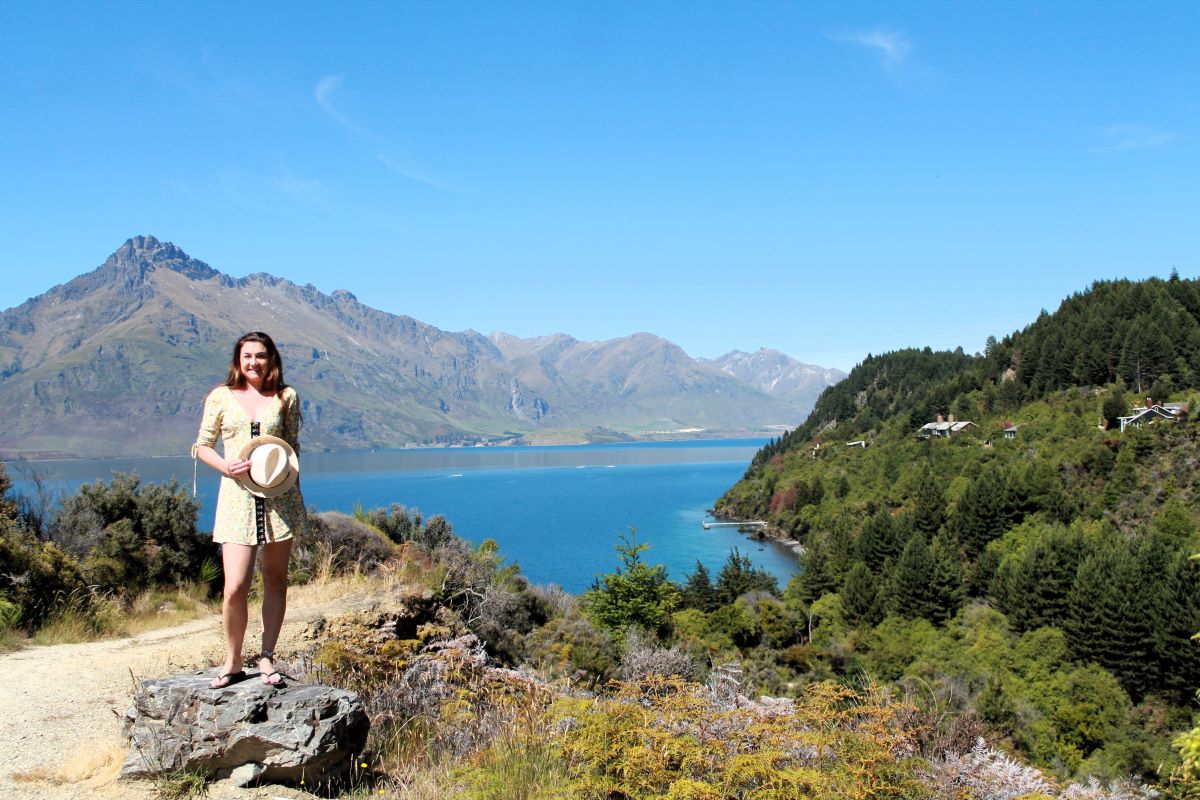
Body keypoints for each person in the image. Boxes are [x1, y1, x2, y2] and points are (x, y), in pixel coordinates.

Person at [193, 331, 306, 688]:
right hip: (236, 498)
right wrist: (227, 466)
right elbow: (202, 445)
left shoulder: (287, 397)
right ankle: (233, 659)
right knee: (235, 586)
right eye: (247, 357)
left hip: (279, 498)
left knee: (275, 580)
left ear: (271, 359)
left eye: (260, 356)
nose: (254, 363)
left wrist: (277, 475)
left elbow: (291, 445)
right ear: (237, 361)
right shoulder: (221, 397)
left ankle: (267, 657)